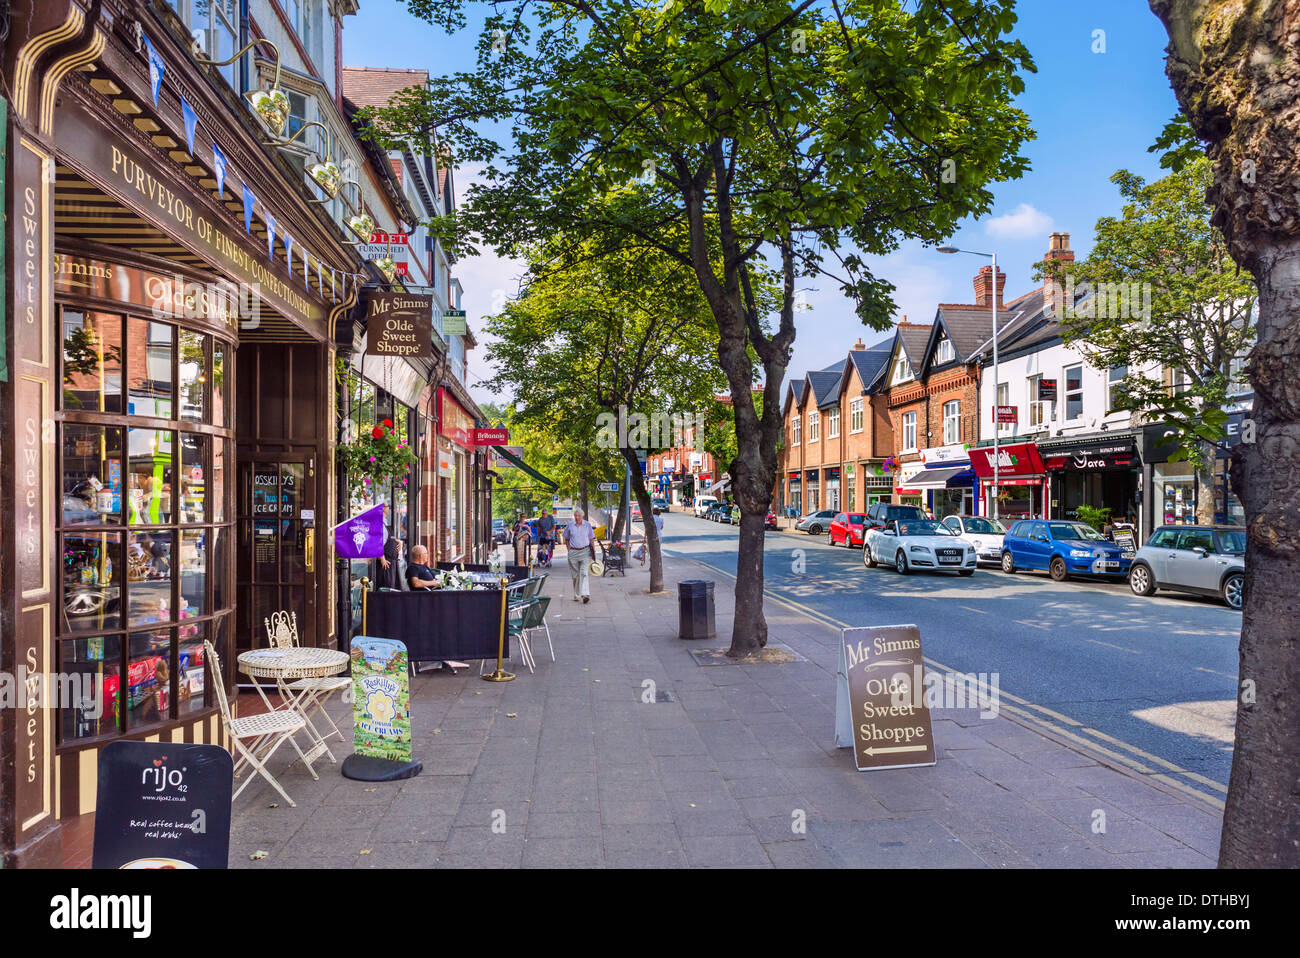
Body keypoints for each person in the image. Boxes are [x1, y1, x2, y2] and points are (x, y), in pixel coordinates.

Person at [564, 509, 595, 603]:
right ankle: (577, 594)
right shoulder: (570, 525)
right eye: (575, 516)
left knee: (584, 573)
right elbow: (566, 538)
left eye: (579, 516)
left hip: (585, 551)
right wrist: (569, 551)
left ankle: (585, 594)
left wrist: (593, 552)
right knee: (575, 576)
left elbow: (591, 539)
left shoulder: (587, 525)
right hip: (573, 552)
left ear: (582, 516)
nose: (577, 518)